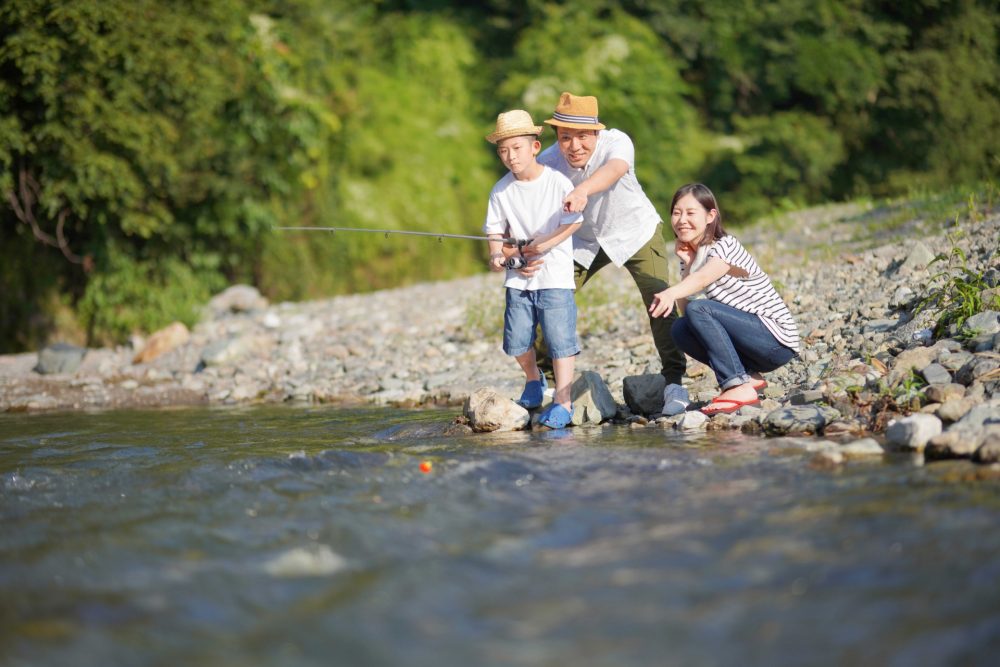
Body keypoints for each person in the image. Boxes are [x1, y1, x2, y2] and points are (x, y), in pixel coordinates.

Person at [521, 92, 689, 414]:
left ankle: (674, 382)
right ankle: (548, 382)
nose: (574, 146)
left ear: (597, 133)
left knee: (659, 301)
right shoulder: (549, 162)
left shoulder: (617, 142)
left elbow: (615, 168)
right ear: (557, 137)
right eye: (566, 137)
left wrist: (582, 189)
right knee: (547, 302)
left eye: (583, 136)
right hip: (582, 242)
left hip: (634, 232)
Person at [648, 183, 800, 415]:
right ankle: (748, 377)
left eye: (690, 213)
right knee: (680, 328)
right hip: (753, 344)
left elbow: (703, 279)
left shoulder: (725, 245)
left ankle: (736, 386)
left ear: (710, 216)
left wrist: (670, 292)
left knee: (700, 309)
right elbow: (688, 312)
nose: (681, 220)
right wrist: (688, 266)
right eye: (676, 213)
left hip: (776, 341)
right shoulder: (694, 256)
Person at [483, 109, 583, 429]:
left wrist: (544, 244)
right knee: (516, 340)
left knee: (559, 340)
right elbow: (495, 232)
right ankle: (533, 379)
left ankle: (563, 402)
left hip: (555, 277)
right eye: (503, 150)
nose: (510, 156)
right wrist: (499, 255)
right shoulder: (500, 190)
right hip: (518, 280)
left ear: (535, 147)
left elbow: (573, 222)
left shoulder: (557, 182)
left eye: (516, 148)